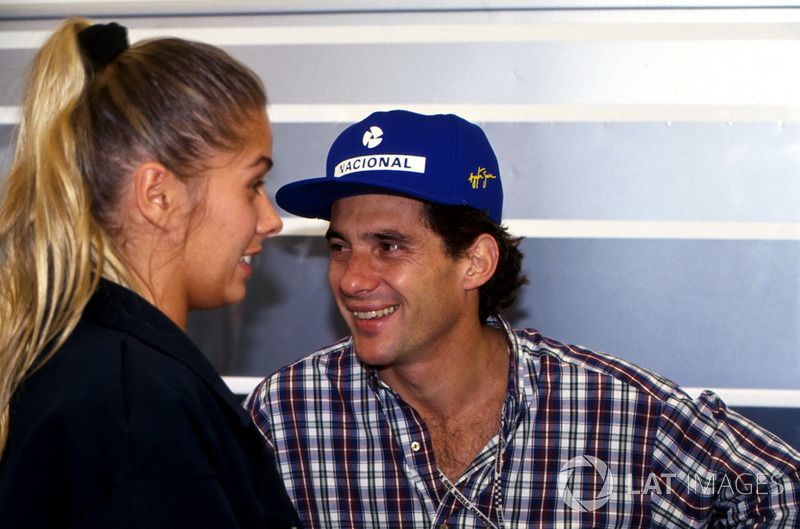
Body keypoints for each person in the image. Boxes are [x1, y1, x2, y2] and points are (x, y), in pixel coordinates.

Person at [246, 109, 800, 528]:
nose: (352, 278)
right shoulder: (285, 415)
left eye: (389, 246)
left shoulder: (620, 414)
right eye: (340, 247)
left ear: (475, 261)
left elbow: (781, 492)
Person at [0, 18, 301, 528]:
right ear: (159, 195)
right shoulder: (134, 411)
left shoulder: (106, 373)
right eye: (253, 183)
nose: (270, 219)